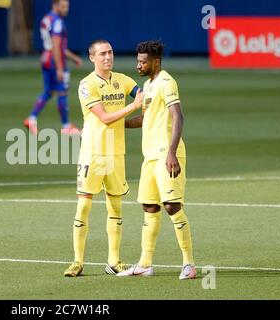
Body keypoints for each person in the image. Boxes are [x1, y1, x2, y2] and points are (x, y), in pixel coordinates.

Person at [63, 40, 144, 277]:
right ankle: (77, 261)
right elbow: (105, 118)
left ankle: (114, 262)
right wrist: (134, 107)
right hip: (93, 154)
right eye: (102, 54)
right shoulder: (87, 85)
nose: (107, 57)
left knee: (116, 208)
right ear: (92, 58)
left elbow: (142, 93)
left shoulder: (123, 80)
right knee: (84, 205)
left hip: (116, 154)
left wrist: (145, 102)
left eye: (110, 52)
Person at [117, 40, 196, 280]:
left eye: (142, 61)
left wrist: (171, 152)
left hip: (166, 154)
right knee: (149, 207)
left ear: (156, 62)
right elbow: (146, 118)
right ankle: (144, 264)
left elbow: (178, 116)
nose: (138, 65)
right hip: (150, 156)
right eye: (137, 61)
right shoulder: (147, 85)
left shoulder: (166, 82)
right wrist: (117, 123)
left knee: (172, 206)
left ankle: (189, 265)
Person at [23, 0, 83, 136]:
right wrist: (60, 68)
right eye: (63, 6)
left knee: (49, 90)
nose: (66, 9)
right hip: (55, 60)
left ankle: (31, 118)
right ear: (55, 5)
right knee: (63, 91)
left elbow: (52, 45)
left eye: (67, 6)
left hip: (46, 57)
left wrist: (73, 57)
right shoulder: (57, 22)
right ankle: (66, 125)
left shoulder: (46, 19)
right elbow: (56, 46)